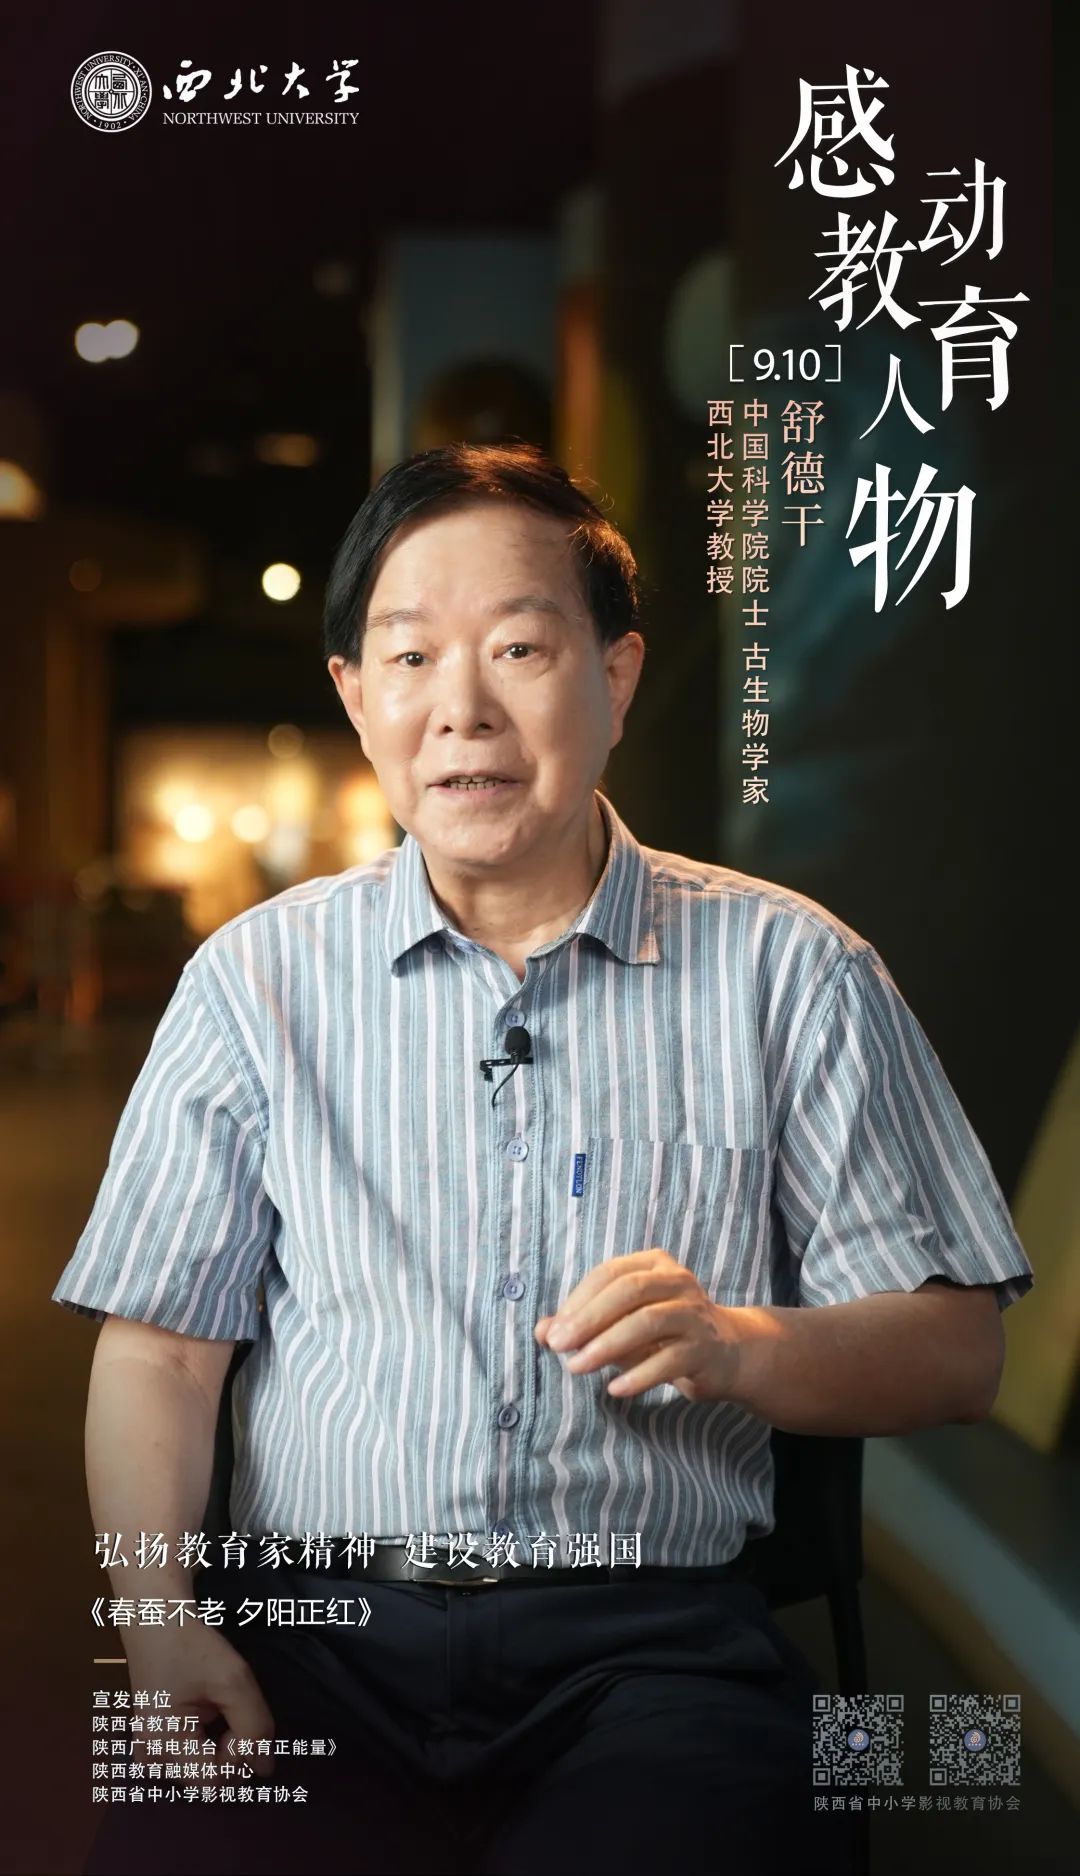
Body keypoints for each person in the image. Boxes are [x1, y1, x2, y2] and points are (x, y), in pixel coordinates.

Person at [53, 442, 1034, 1876]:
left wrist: (741, 1344)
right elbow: (157, 1352)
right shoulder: (256, 983)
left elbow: (958, 1351)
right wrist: (160, 1628)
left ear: (617, 676)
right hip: (315, 1637)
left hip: (656, 1650)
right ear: (356, 697)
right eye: (409, 658)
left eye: (518, 647)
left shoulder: (795, 973)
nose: (461, 709)